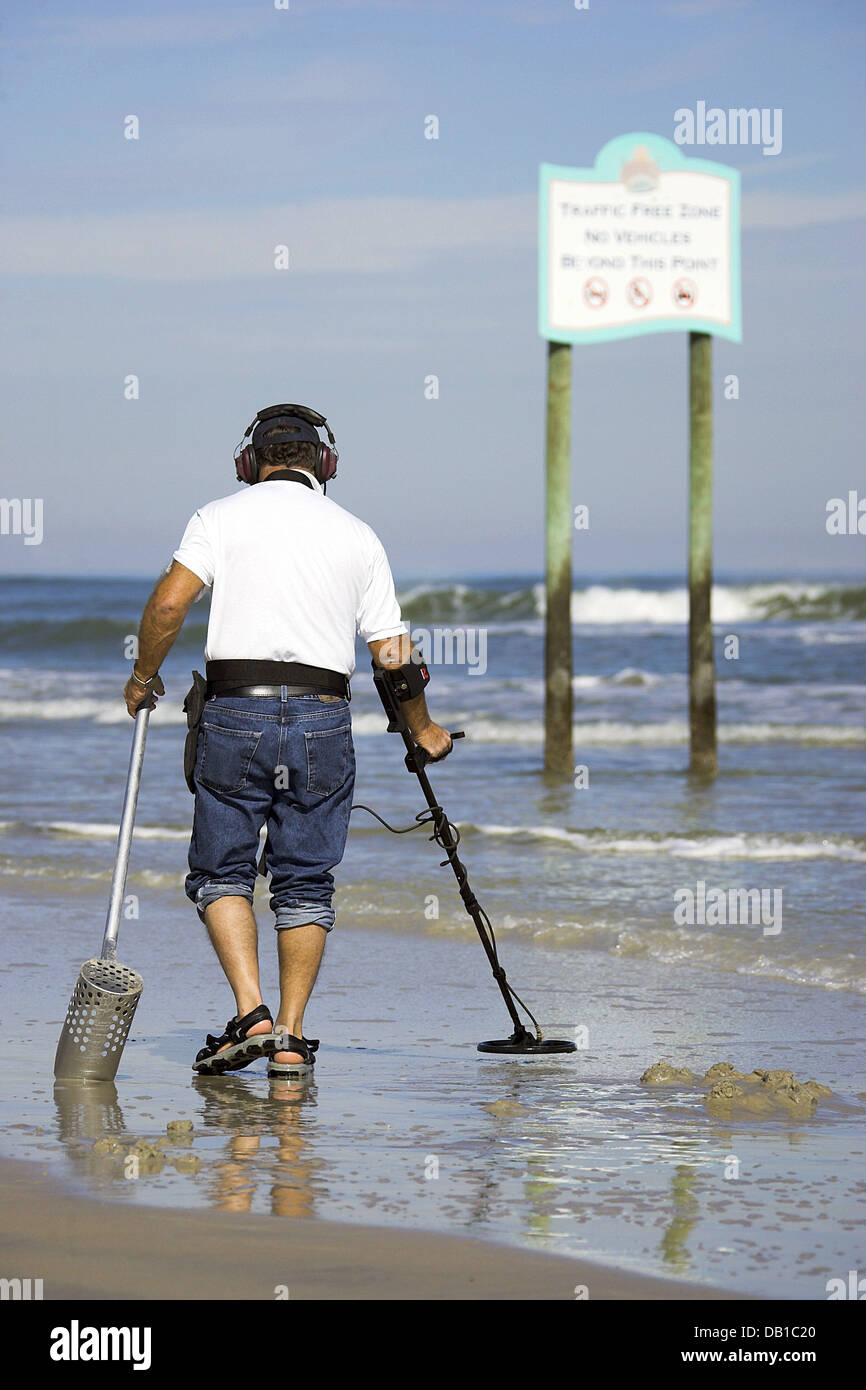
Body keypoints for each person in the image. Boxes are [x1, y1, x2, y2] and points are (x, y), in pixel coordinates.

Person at [123, 403, 453, 1078]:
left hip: (234, 713)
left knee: (221, 873)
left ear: (249, 463)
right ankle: (292, 1040)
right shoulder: (357, 534)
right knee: (306, 879)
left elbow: (168, 604)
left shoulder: (217, 517)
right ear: (323, 463)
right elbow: (393, 655)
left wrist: (142, 677)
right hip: (321, 718)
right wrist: (423, 729)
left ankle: (252, 1015)